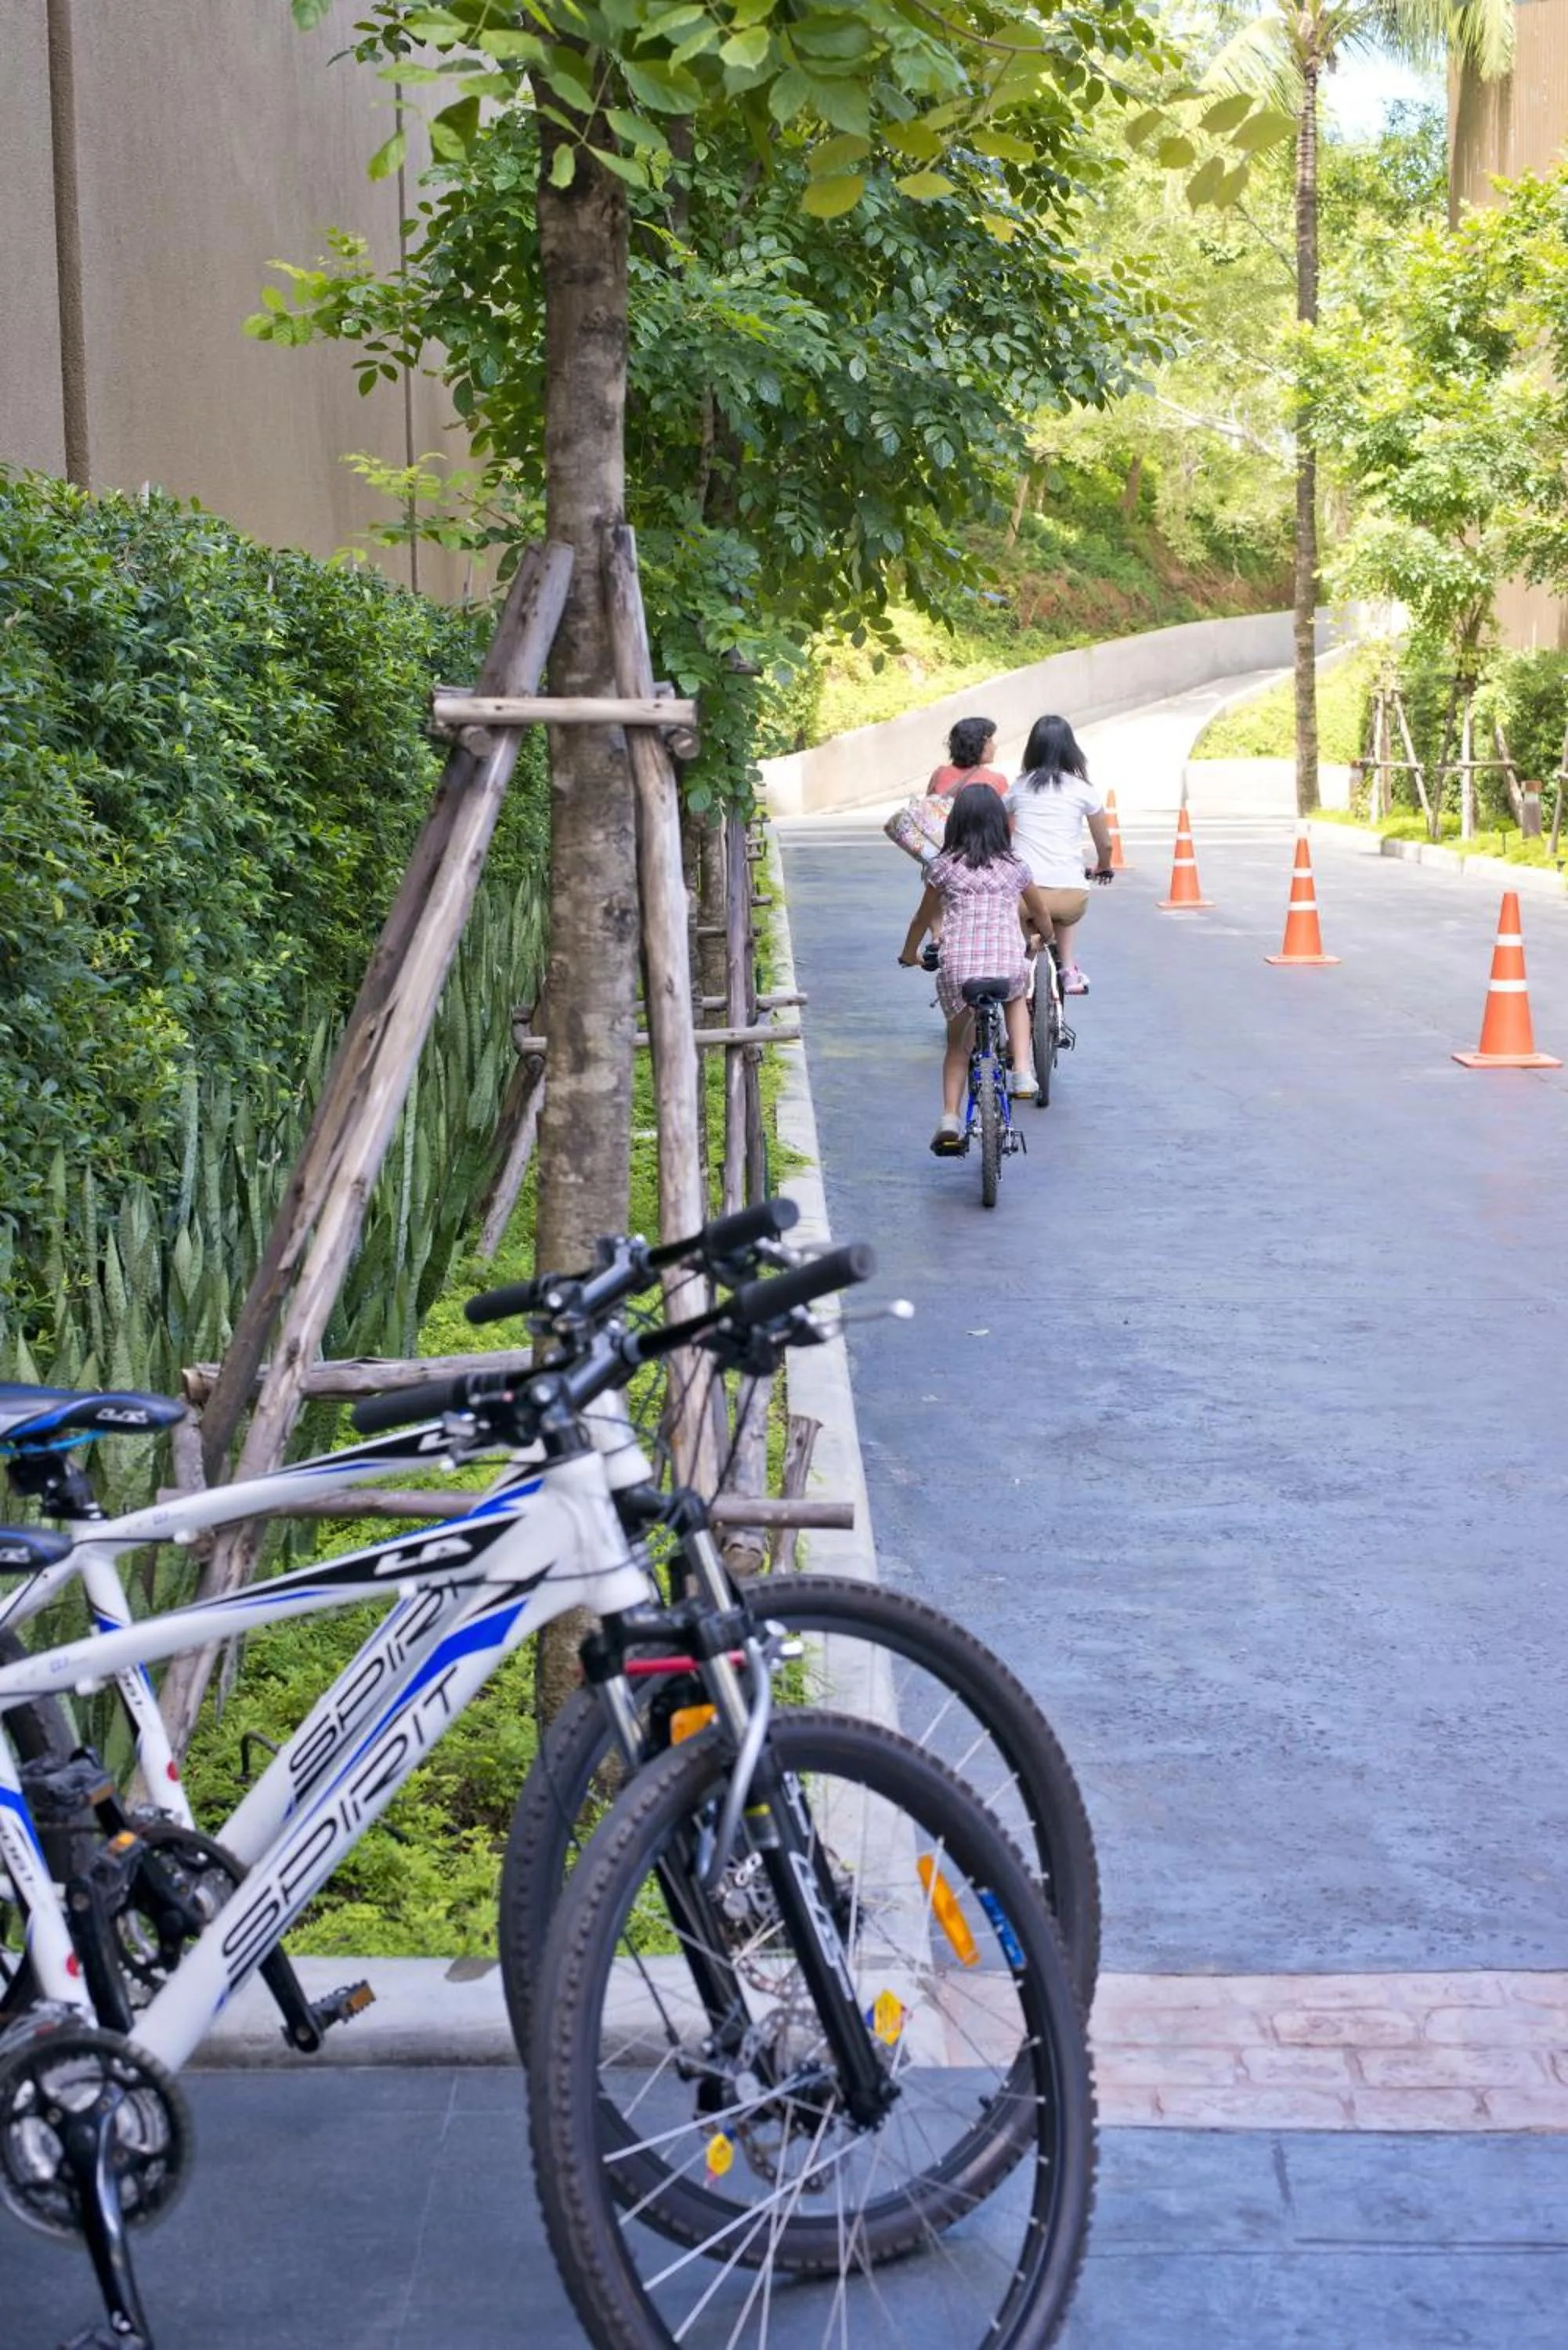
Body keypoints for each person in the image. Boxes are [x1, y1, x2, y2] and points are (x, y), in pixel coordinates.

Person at [898, 783, 1059, 1155]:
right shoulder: (1015, 867)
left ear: (955, 825)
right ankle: (1021, 1070)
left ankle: (950, 1120)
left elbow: (922, 919)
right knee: (1016, 996)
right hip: (1005, 961)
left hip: (960, 969)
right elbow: (1041, 914)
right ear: (1001, 825)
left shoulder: (943, 868)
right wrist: (1044, 939)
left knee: (957, 1047)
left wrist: (910, 953)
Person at [1006, 715, 1114, 995]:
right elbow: (1106, 845)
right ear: (1070, 749)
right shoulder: (1083, 790)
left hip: (1022, 895)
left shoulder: (1018, 787)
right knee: (1066, 910)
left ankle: (1024, 967)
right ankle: (1068, 970)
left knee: (1027, 924)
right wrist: (1103, 867)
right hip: (1069, 894)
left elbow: (1000, 831)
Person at [927, 714, 1010, 800]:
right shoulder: (996, 781)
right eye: (990, 741)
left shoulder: (939, 774)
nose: (994, 746)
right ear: (979, 744)